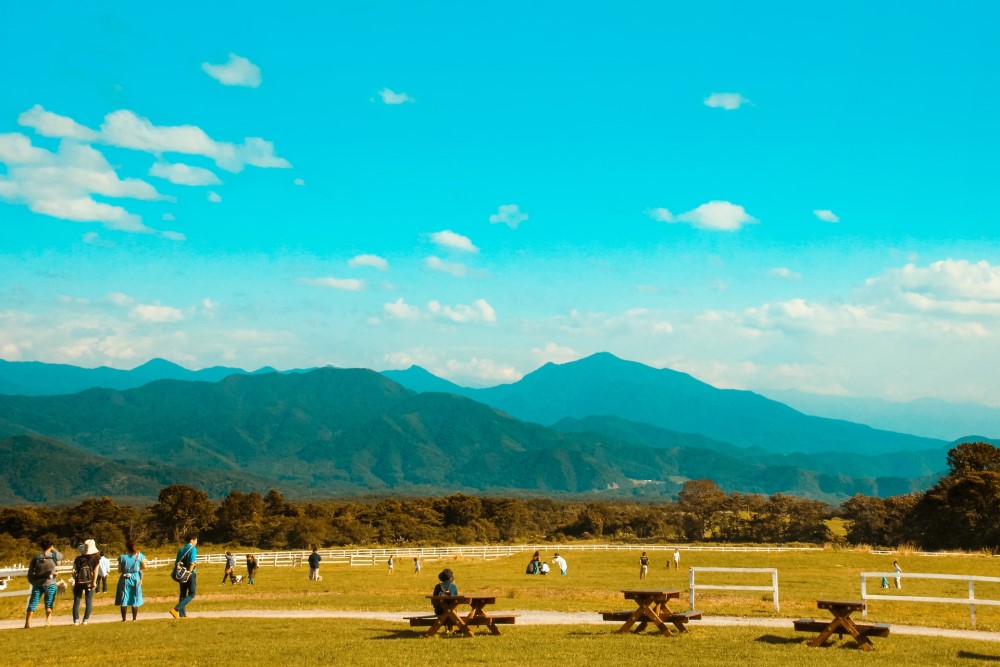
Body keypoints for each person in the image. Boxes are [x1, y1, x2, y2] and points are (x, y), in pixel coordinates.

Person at [24, 539, 62, 628]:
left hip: (37, 583)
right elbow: (61, 556)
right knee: (49, 603)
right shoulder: (53, 556)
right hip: (50, 582)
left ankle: (27, 623)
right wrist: (53, 549)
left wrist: (32, 581)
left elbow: (30, 572)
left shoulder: (36, 558)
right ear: (50, 546)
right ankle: (48, 621)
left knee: (33, 602)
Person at [115, 538, 146, 621]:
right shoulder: (140, 555)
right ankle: (134, 618)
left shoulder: (122, 557)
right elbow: (144, 566)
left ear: (126, 547)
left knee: (124, 597)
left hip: (125, 578)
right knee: (135, 597)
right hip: (136, 577)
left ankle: (124, 619)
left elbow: (119, 570)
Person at [71, 539, 100, 625]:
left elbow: (73, 571)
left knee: (77, 601)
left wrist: (75, 580)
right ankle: (85, 620)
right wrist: (94, 582)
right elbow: (96, 571)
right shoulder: (96, 558)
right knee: (88, 601)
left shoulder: (77, 559)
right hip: (89, 582)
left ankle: (76, 620)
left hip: (78, 582)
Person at [169, 534, 198, 619]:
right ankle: (176, 609)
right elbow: (192, 562)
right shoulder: (193, 549)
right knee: (192, 593)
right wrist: (189, 573)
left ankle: (182, 615)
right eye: (196, 540)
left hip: (180, 574)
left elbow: (177, 562)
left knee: (183, 593)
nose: (196, 542)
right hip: (189, 574)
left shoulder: (181, 549)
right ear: (192, 540)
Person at [431, 568, 458, 633]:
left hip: (439, 611)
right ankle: (450, 627)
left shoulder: (437, 586)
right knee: (452, 609)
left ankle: (447, 628)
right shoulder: (453, 586)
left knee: (446, 610)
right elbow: (457, 598)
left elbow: (433, 600)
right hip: (451, 610)